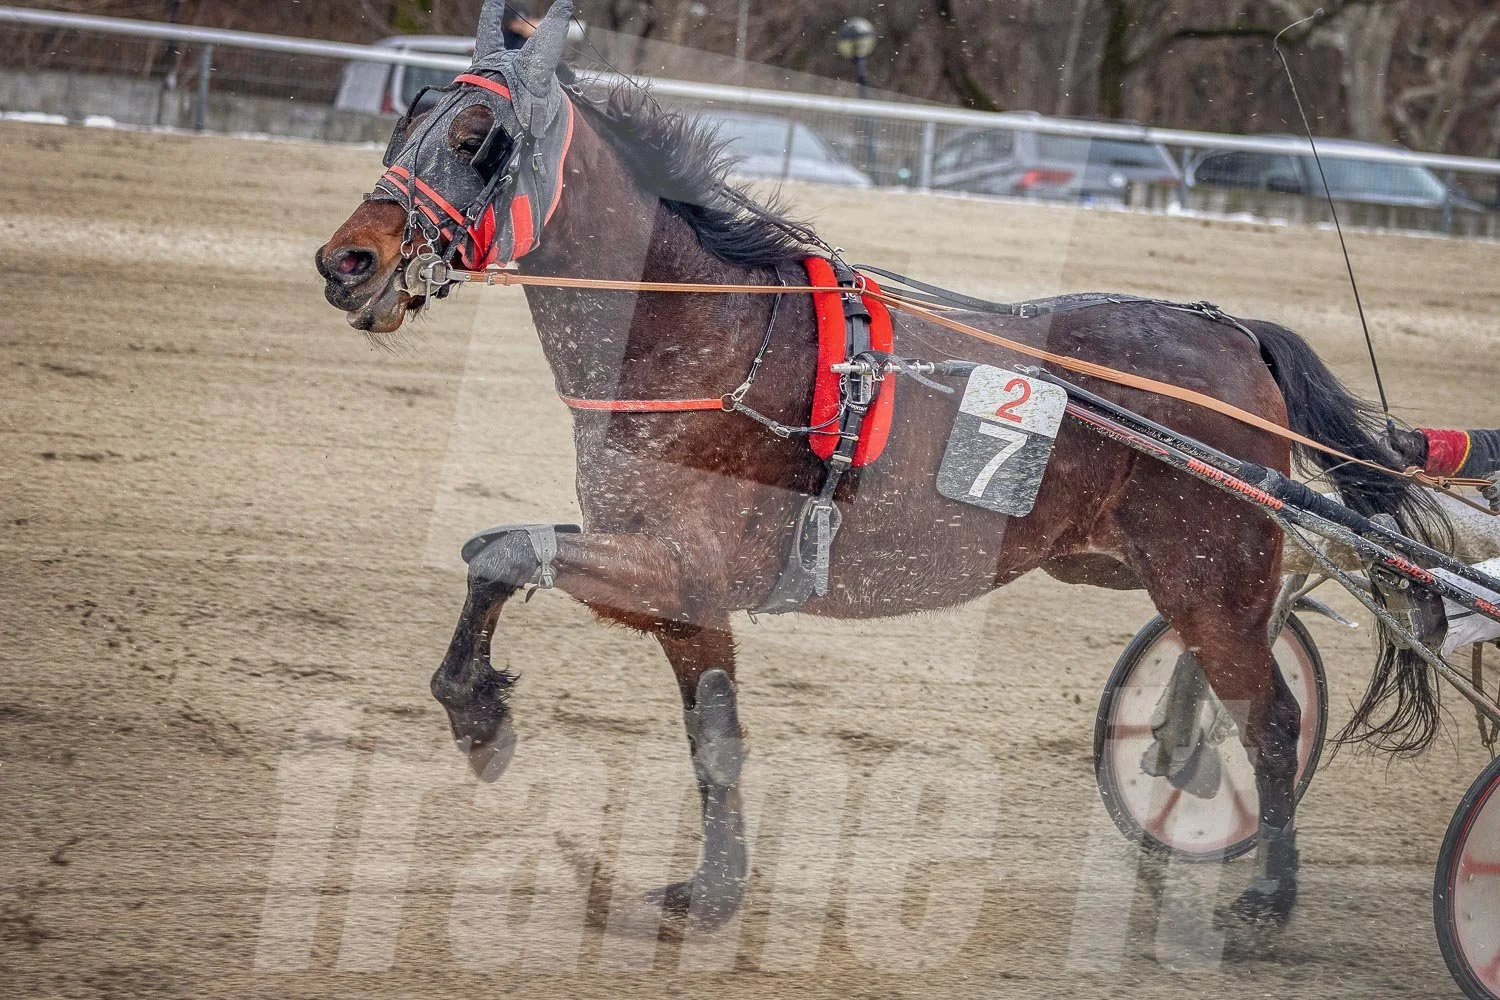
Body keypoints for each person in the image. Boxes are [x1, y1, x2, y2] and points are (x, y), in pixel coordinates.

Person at [500, 2, 576, 82]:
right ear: (510, 23)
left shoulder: (529, 38)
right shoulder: (505, 38)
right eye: (518, 21)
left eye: (525, 20)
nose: (522, 24)